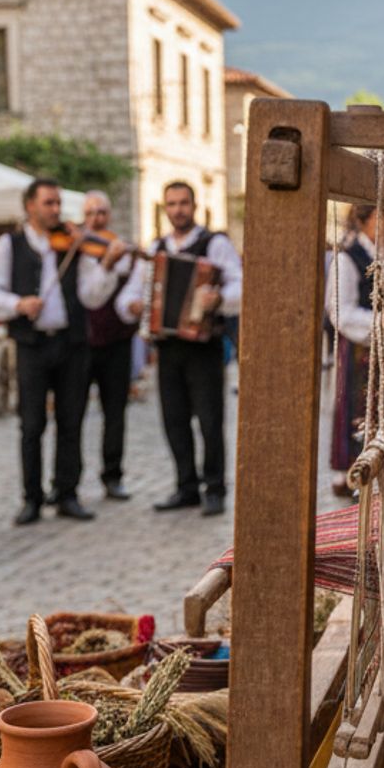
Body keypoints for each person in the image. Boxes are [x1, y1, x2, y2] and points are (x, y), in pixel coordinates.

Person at [0, 178, 128, 526]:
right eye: (49, 203)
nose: (56, 210)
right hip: (32, 345)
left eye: (59, 203)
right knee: (31, 424)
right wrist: (18, 304)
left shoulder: (73, 243)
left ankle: (67, 493)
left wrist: (105, 265)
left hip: (71, 343)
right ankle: (31, 498)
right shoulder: (9, 244)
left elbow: (93, 296)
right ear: (30, 206)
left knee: (71, 421)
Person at [114, 182, 241, 517]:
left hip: (205, 346)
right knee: (174, 420)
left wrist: (218, 298)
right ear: (165, 208)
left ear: (194, 205)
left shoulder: (215, 244)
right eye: (171, 204)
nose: (178, 209)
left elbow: (240, 286)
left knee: (210, 420)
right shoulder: (156, 248)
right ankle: (185, 486)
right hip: (168, 347)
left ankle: (214, 488)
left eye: (183, 203)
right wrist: (130, 307)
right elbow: (131, 292)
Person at [80, 190, 142, 501]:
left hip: (117, 342)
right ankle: (68, 482)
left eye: (101, 212)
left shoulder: (123, 253)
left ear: (110, 216)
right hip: (81, 345)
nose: (96, 218)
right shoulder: (76, 253)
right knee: (73, 414)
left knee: (115, 412)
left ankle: (112, 475)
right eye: (90, 213)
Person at [324, 204, 384, 496]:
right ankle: (351, 469)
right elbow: (340, 311)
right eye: (382, 216)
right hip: (360, 348)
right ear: (364, 220)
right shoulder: (347, 258)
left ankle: (380, 466)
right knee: (354, 406)